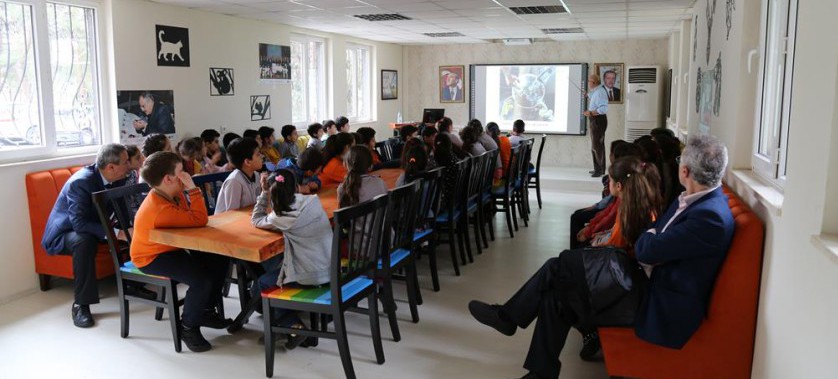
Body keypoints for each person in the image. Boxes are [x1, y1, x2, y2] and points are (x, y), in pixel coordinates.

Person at [468, 135, 734, 379]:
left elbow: (646, 246)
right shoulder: (692, 200)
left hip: (655, 299)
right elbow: (653, 237)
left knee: (559, 266)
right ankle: (538, 369)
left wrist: (651, 236)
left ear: (685, 170)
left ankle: (509, 317)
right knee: (556, 293)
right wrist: (652, 236)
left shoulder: (708, 216)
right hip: (644, 279)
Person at [41, 144, 151, 328]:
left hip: (93, 226)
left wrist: (128, 229)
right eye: (126, 162)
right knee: (84, 241)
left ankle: (133, 282)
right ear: (110, 167)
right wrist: (118, 232)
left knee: (133, 229)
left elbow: (121, 209)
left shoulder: (117, 177)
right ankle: (81, 305)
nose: (130, 166)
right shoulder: (81, 182)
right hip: (65, 233)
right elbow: (79, 224)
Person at [131, 151, 231, 352]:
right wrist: (192, 189)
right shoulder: (160, 208)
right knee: (200, 279)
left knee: (219, 260)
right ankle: (188, 327)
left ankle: (204, 310)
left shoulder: (170, 193)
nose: (186, 174)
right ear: (168, 179)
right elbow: (198, 219)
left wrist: (185, 191)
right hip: (151, 256)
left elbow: (191, 218)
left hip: (171, 246)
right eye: (181, 172)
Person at [251, 169, 331, 349]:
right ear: (296, 187)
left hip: (312, 275)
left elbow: (256, 219)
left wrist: (264, 193)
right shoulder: (312, 201)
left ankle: (293, 326)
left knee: (263, 282)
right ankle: (283, 322)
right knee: (274, 266)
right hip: (329, 267)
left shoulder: (280, 216)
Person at [215, 137, 263, 214]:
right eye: (258, 155)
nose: (262, 156)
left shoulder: (256, 175)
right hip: (227, 222)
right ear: (247, 162)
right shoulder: (234, 181)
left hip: (248, 216)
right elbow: (232, 213)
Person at [584, 74, 609, 177]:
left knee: (596, 146)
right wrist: (587, 95)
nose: (588, 83)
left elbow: (603, 109)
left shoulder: (600, 92)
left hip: (598, 120)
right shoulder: (597, 91)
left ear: (594, 82)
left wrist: (589, 113)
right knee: (597, 144)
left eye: (589, 81)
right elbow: (595, 99)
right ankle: (598, 168)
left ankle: (599, 170)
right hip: (596, 120)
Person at [487, 122, 511, 187]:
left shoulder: (491, 144)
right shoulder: (506, 139)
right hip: (510, 173)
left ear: (487, 132)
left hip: (501, 177)